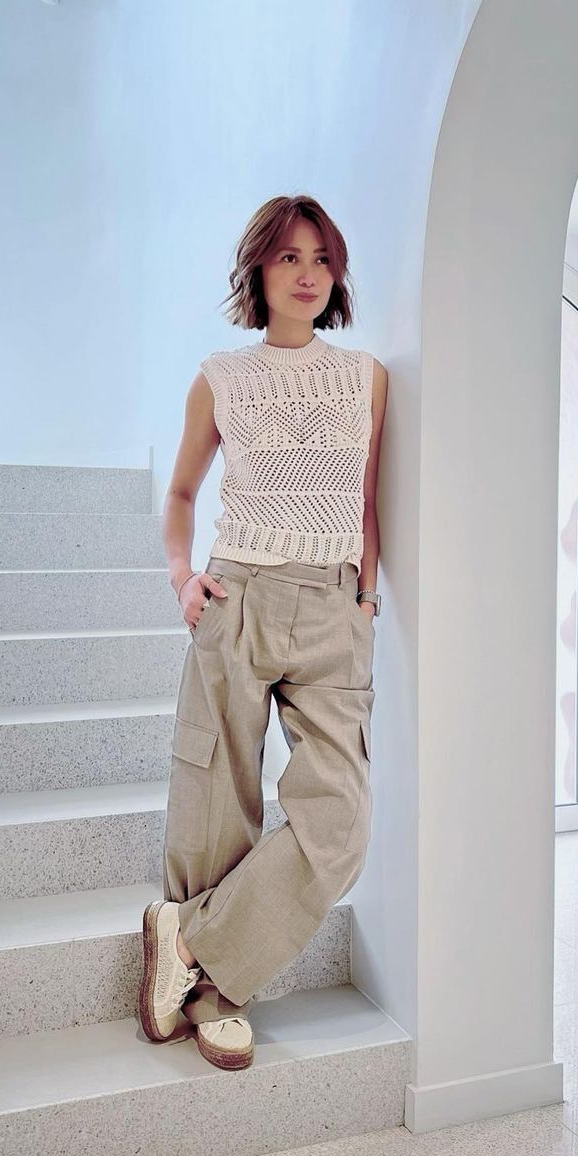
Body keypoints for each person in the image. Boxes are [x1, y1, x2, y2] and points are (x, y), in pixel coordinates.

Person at [137, 194, 388, 1071]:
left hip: (332, 605)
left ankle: (189, 942)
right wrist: (182, 577)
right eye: (289, 258)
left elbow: (364, 500)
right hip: (237, 594)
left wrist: (364, 601)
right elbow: (178, 496)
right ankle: (217, 996)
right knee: (217, 797)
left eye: (321, 257)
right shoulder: (221, 376)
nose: (309, 273)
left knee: (341, 818)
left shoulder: (366, 376)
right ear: (258, 270)